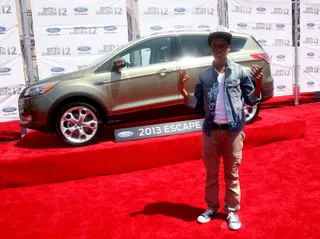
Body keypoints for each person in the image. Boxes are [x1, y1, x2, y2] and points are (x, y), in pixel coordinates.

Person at [178, 29, 263, 231]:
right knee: (211, 173)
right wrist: (182, 89)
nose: (218, 49)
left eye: (222, 45)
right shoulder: (205, 76)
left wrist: (258, 83)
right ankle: (212, 207)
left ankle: (232, 211)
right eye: (214, 45)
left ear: (228, 48)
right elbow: (197, 102)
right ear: (210, 48)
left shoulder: (240, 72)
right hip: (210, 131)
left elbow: (252, 98)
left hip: (233, 131)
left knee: (232, 173)